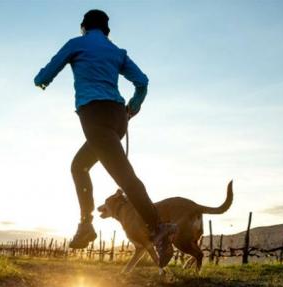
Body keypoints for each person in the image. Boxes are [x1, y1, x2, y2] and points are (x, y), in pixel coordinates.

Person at [34, 9, 176, 266]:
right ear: (107, 30)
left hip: (95, 116)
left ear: (83, 27)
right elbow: (142, 82)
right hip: (118, 118)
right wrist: (133, 106)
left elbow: (44, 76)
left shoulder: (76, 44)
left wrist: (40, 80)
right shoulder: (117, 52)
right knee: (80, 166)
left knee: (124, 176)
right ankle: (87, 225)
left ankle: (157, 229)